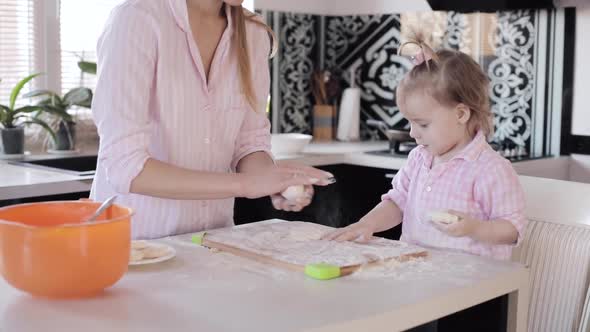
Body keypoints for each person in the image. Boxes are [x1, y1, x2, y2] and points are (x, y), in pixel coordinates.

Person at [90, 0, 333, 239]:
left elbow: (249, 143)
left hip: (212, 242)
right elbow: (126, 166)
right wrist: (247, 184)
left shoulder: (253, 33)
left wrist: (273, 180)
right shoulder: (137, 20)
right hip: (131, 248)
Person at [323, 33, 528, 262]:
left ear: (461, 114)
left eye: (422, 124)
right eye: (410, 122)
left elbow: (512, 229)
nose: (412, 132)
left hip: (473, 287)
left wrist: (473, 228)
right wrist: (365, 224)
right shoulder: (419, 159)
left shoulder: (490, 169)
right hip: (419, 276)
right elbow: (397, 201)